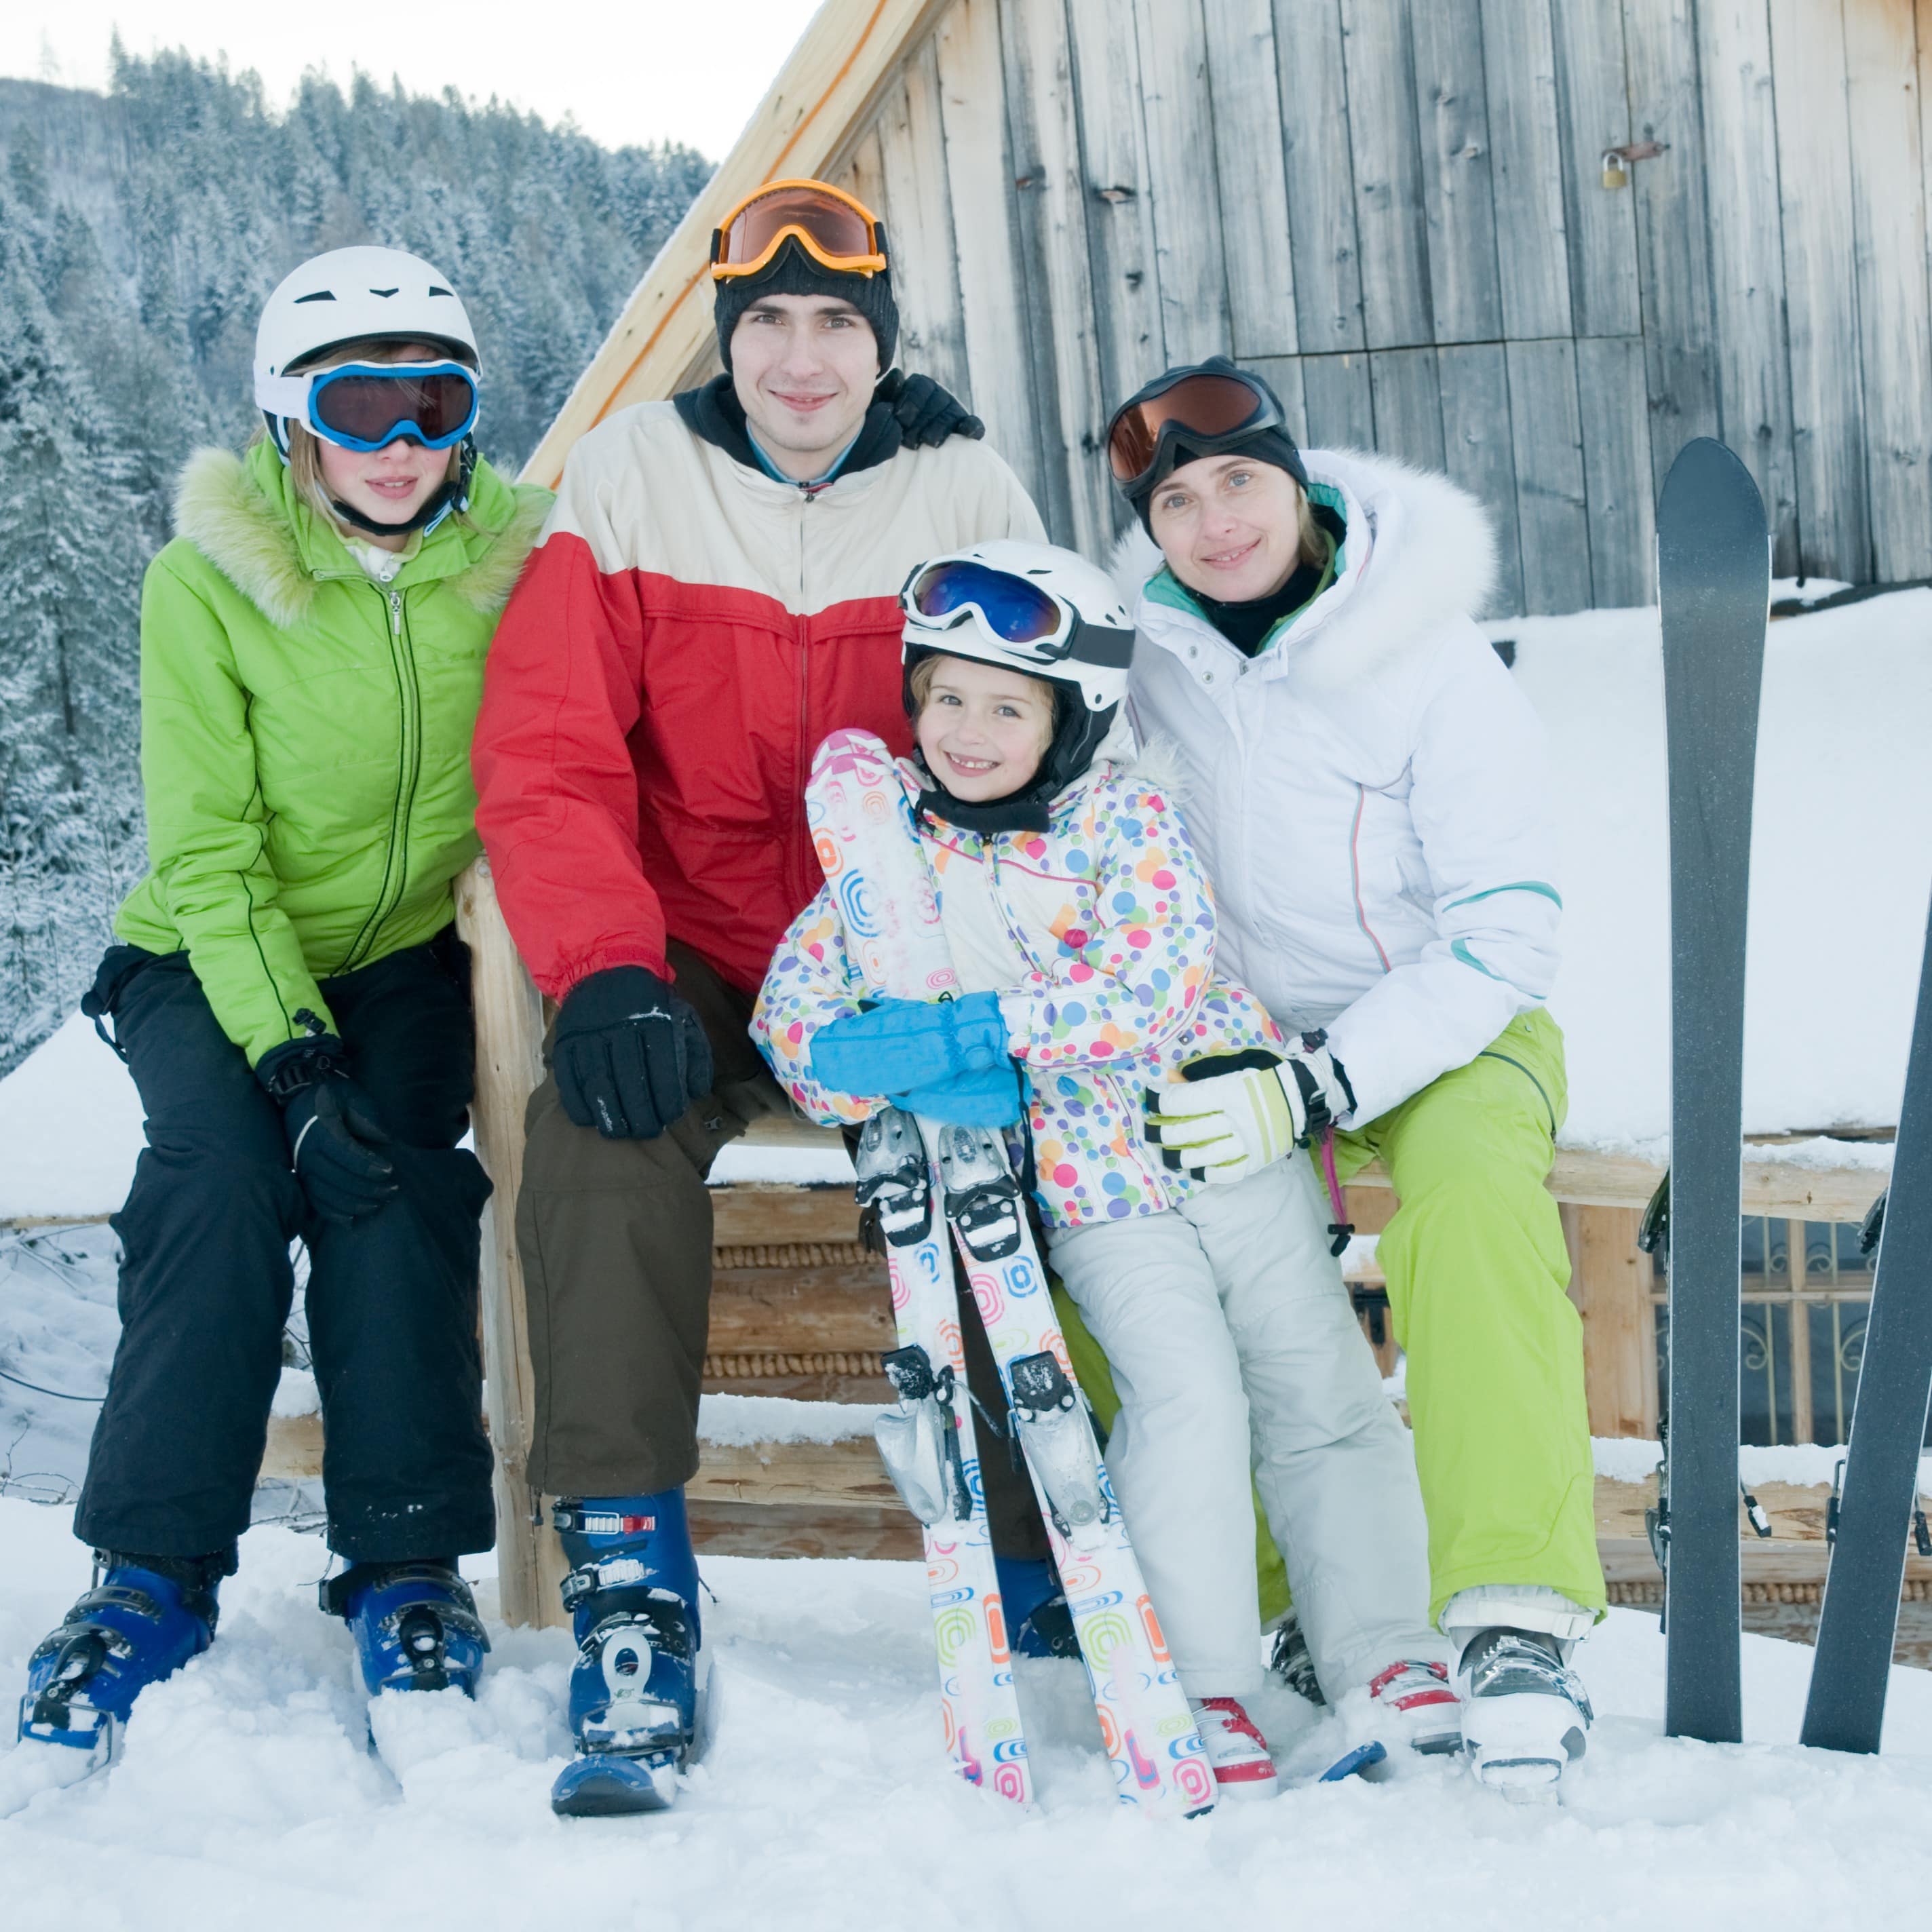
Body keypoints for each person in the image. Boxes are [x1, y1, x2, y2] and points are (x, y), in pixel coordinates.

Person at [471, 177, 1045, 1815]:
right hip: (701, 950)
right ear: (730, 339)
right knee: (593, 1133)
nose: (802, 362)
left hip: (900, 944)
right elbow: (547, 745)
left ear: (883, 342)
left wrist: (982, 954)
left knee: (1033, 1146)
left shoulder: (963, 482)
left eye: (838, 326)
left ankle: (1043, 1531)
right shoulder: (634, 477)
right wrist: (602, 965)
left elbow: (1053, 724)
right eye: (770, 325)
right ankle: (629, 1573)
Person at [752, 540, 1454, 1800]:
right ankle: (1208, 1680)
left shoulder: (1124, 815)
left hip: (1220, 1140)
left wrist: (986, 1030)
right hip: (1095, 1193)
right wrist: (863, 1058)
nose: (967, 731)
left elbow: (1147, 986)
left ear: (1072, 719)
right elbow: (792, 1011)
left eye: (1007, 706)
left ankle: (1384, 1651)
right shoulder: (891, 865)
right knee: (1184, 1403)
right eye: (945, 696)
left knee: (1317, 1386)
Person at [14, 247, 549, 1781]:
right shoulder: (208, 577)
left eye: (431, 402)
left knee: (392, 1185)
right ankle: (149, 1575)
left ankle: (402, 1565)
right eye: (353, 403)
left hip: (398, 953)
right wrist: (288, 1054)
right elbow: (208, 846)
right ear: (287, 422)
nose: (397, 440)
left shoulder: (514, 563)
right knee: (224, 1180)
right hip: (203, 946)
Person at [1106, 358, 1601, 1792]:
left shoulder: (1423, 647)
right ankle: (1286, 1600)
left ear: (1295, 477)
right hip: (1237, 1034)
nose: (1211, 525)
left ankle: (1511, 1612)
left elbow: (1509, 928)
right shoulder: (1149, 654)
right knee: (1144, 1237)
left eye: (1236, 482)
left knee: (1462, 1207)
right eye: (1175, 501)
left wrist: (1320, 1084)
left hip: (1450, 1022)